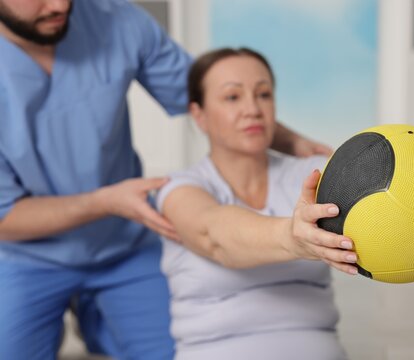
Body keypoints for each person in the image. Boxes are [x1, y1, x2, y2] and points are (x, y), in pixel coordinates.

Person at [0, 1, 332, 359]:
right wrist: (106, 201)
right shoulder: (183, 189)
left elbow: (207, 94)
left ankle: (98, 319)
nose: (60, 4)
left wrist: (289, 140)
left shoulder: (116, 20)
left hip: (122, 245)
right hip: (27, 254)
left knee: (172, 350)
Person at [157, 47, 362, 360]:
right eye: (232, 97)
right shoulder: (179, 189)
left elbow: (378, 202)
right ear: (199, 115)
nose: (252, 108)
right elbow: (215, 236)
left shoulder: (312, 175)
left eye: (263, 94)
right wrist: (292, 237)